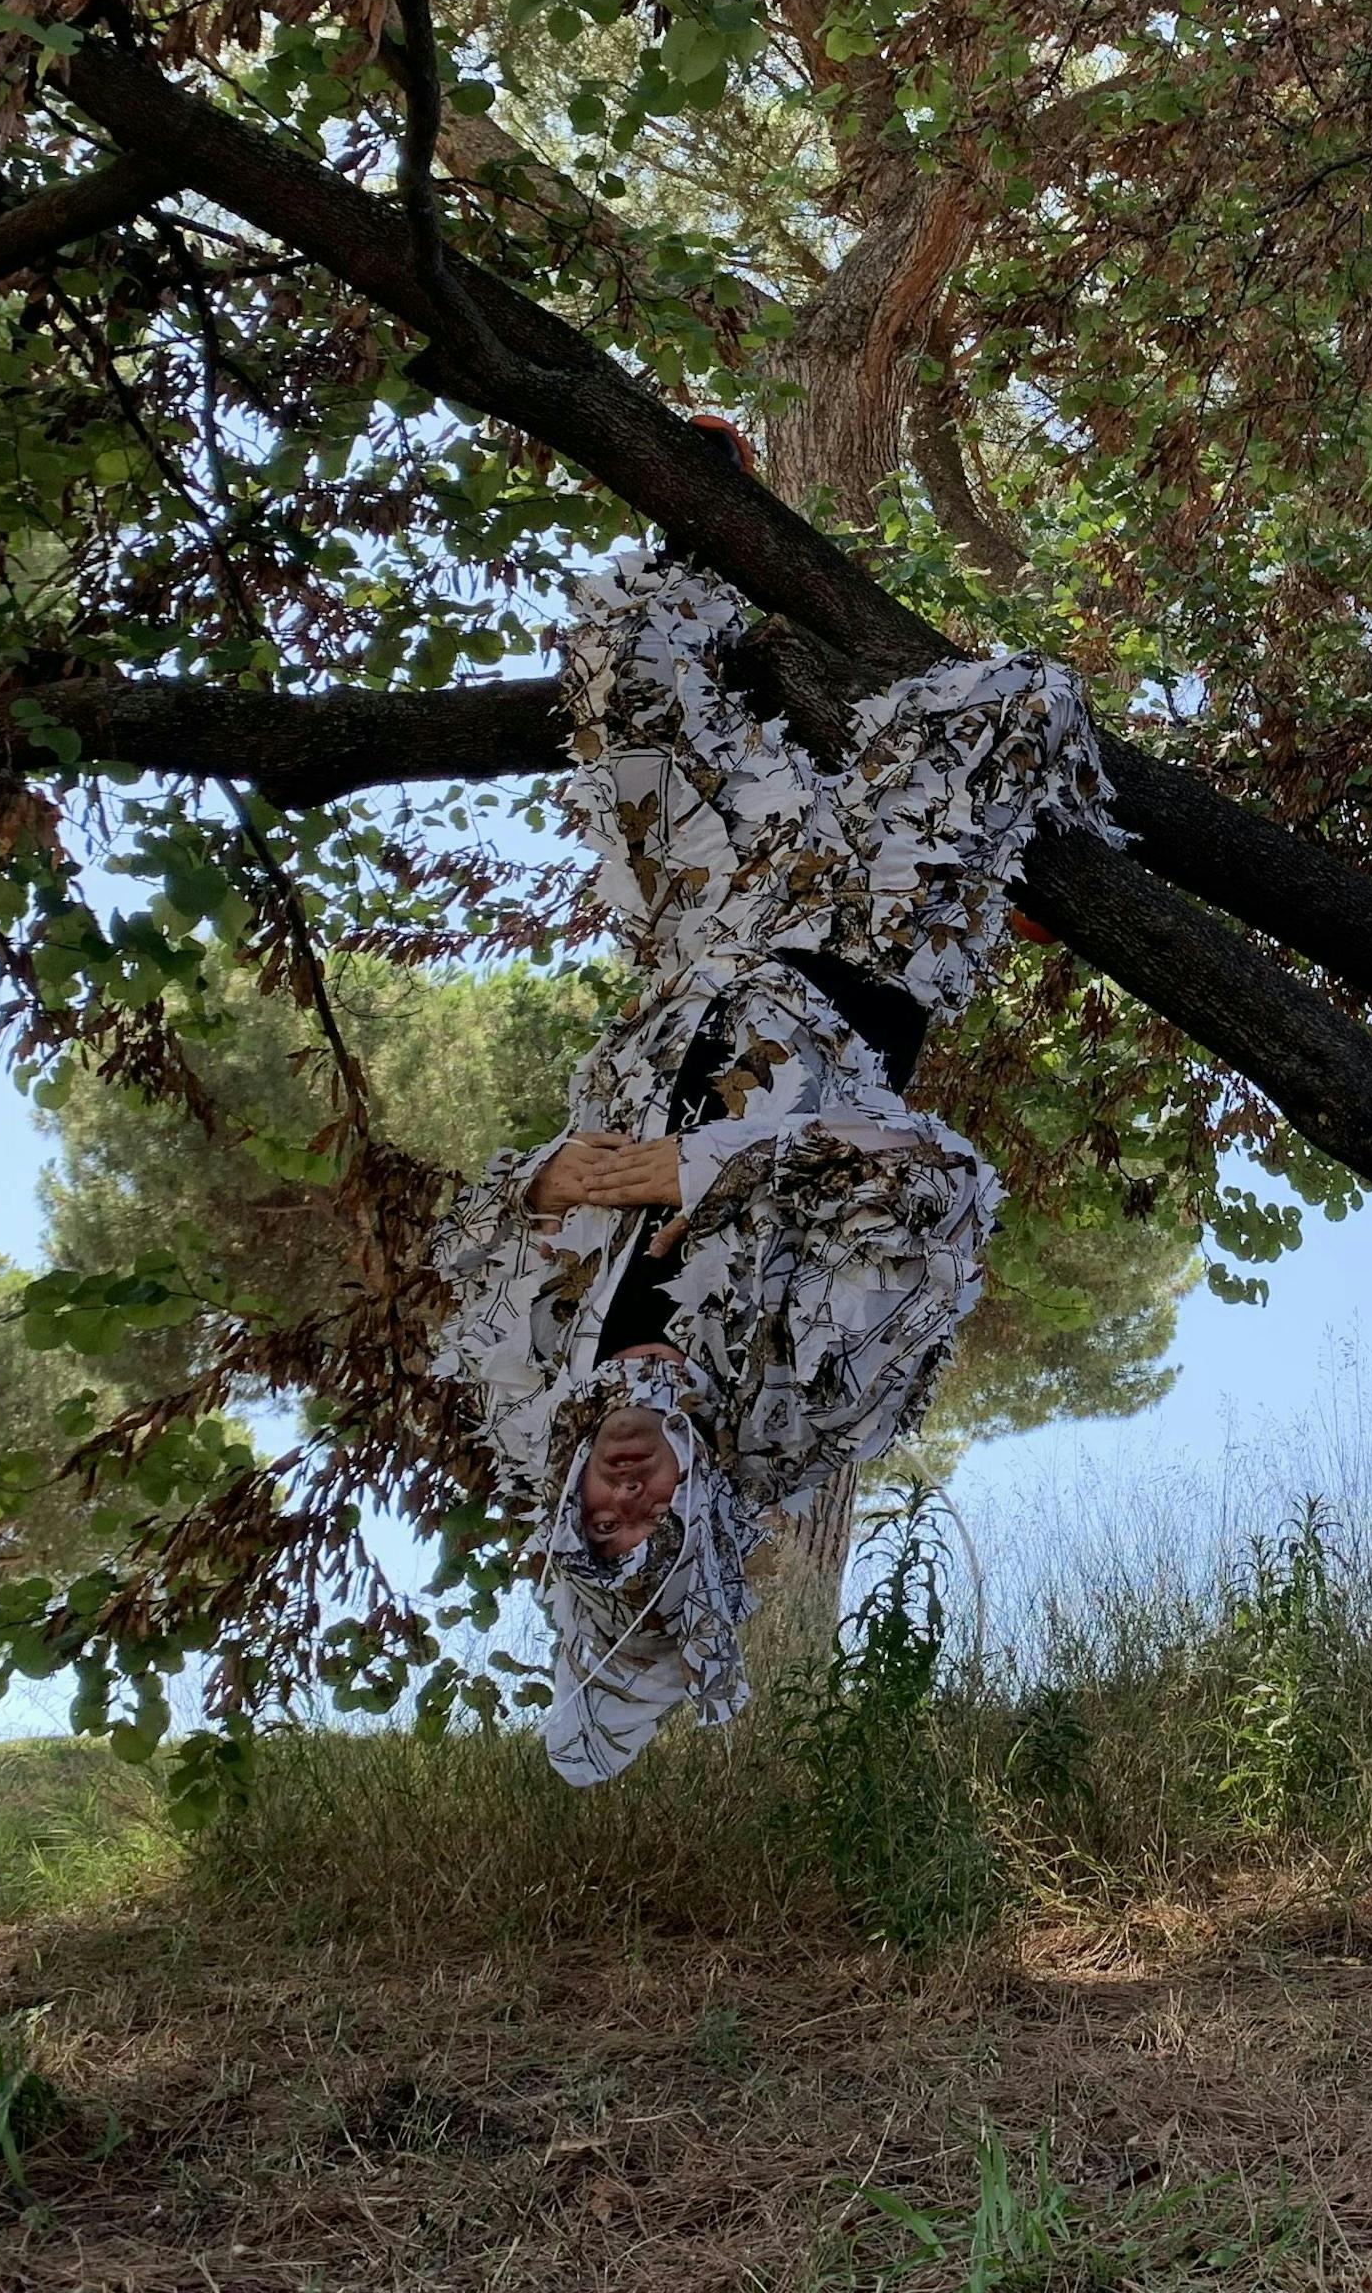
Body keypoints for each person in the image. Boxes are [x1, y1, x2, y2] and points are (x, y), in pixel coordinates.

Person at [426, 546, 1110, 1781]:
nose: (621, 1500)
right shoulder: (811, 1411)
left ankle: (718, 502)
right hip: (879, 941)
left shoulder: (529, 1395)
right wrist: (714, 1166)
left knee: (626, 637)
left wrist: (538, 1183)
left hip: (699, 922)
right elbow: (937, 1186)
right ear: (697, 1528)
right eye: (650, 1533)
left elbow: (465, 1241)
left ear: (566, 1513)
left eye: (597, 1530)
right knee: (1022, 704)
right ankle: (1012, 862)